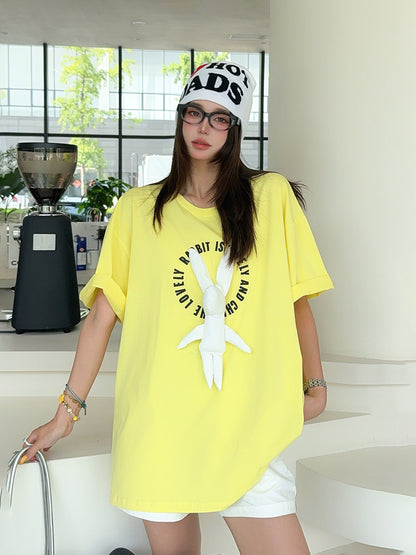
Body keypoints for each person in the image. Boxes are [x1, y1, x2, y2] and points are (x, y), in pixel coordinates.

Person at [22, 62, 333, 555]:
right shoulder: (138, 209)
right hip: (160, 426)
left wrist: (315, 388)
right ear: (180, 117)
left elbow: (298, 300)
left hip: (247, 425)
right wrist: (66, 414)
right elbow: (102, 316)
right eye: (194, 112)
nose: (204, 127)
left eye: (219, 117)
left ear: (235, 129)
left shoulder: (270, 197)